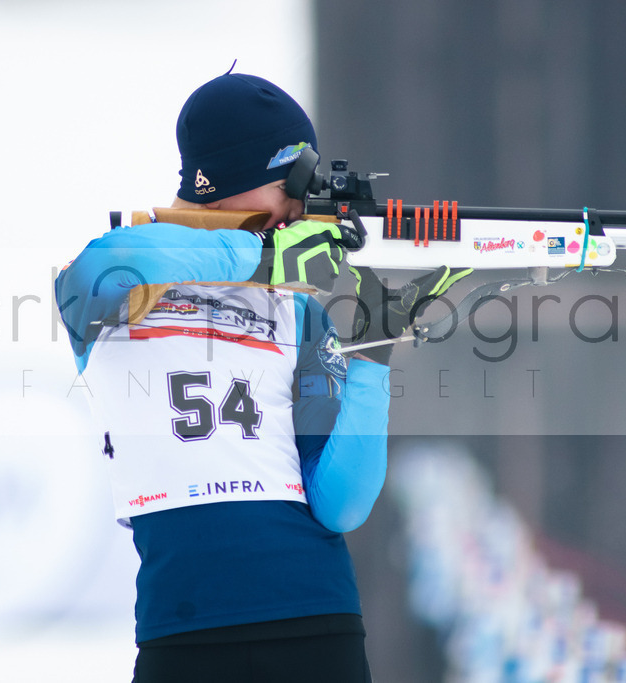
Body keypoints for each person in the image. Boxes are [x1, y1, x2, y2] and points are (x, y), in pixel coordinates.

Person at [54, 70, 468, 682]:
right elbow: (101, 268)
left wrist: (372, 358)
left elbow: (341, 506)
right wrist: (267, 256)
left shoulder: (297, 307)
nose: (302, 208)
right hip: (181, 631)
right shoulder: (119, 278)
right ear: (233, 181)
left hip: (317, 621)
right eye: (293, 183)